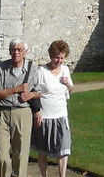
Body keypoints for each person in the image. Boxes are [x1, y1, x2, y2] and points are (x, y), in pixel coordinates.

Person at [0, 38, 37, 177]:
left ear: (25, 52)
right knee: (2, 157)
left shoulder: (33, 68)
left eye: (19, 49)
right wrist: (16, 89)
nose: (16, 52)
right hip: (1, 114)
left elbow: (41, 91)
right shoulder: (0, 68)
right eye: (13, 49)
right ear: (10, 51)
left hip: (22, 113)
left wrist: (32, 94)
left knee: (21, 157)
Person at [31, 40, 76, 177]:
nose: (59, 60)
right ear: (51, 56)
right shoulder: (42, 71)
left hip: (61, 115)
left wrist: (68, 83)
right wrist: (37, 111)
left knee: (64, 148)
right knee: (43, 150)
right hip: (45, 116)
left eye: (62, 57)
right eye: (57, 57)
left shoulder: (65, 70)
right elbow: (34, 92)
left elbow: (71, 89)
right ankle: (43, 175)